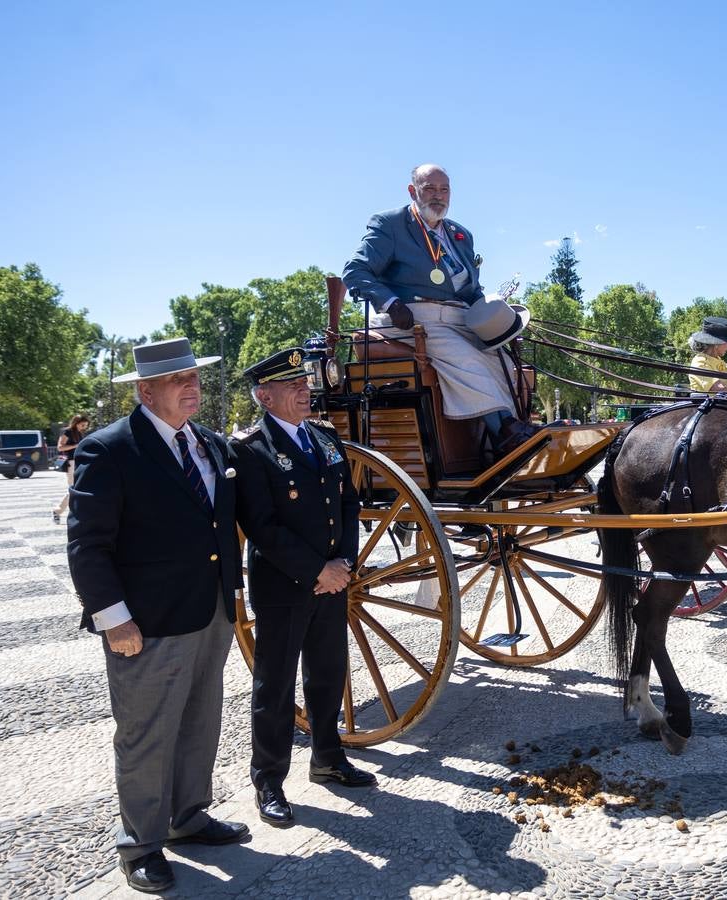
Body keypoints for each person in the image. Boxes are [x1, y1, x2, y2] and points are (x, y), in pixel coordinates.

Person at [66, 337, 247, 893]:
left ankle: (187, 817)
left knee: (199, 722)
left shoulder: (210, 445)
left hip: (210, 610)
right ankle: (140, 844)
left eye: (194, 377)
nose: (191, 386)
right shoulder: (109, 449)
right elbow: (88, 544)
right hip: (145, 623)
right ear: (146, 391)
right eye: (177, 380)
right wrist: (113, 618)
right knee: (146, 734)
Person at [232, 347, 373, 829]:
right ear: (264, 395)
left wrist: (344, 563)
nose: (304, 390)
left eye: (304, 382)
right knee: (275, 686)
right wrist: (318, 570)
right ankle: (269, 780)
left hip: (332, 579)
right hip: (286, 585)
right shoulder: (250, 449)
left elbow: (349, 504)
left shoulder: (324, 437)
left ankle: (327, 758)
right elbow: (262, 527)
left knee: (328, 673)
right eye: (292, 385)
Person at [341, 163, 537, 453]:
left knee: (507, 366)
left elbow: (471, 290)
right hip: (413, 321)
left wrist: (495, 318)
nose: (438, 195)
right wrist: (391, 303)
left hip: (460, 320)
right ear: (413, 191)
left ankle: (496, 442)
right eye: (429, 188)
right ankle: (506, 436)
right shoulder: (390, 224)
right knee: (467, 360)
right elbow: (355, 271)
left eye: (444, 189)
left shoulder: (461, 235)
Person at [687, 317, 727, 394]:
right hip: (709, 405)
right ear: (716, 344)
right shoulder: (701, 362)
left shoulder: (717, 360)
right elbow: (719, 392)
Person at [52, 413, 90, 524]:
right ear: (76, 423)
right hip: (70, 462)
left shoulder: (79, 433)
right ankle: (58, 510)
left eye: (86, 425)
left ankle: (64, 511)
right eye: (83, 425)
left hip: (78, 462)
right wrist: (76, 445)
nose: (84, 427)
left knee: (78, 487)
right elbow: (60, 447)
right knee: (74, 488)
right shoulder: (67, 432)